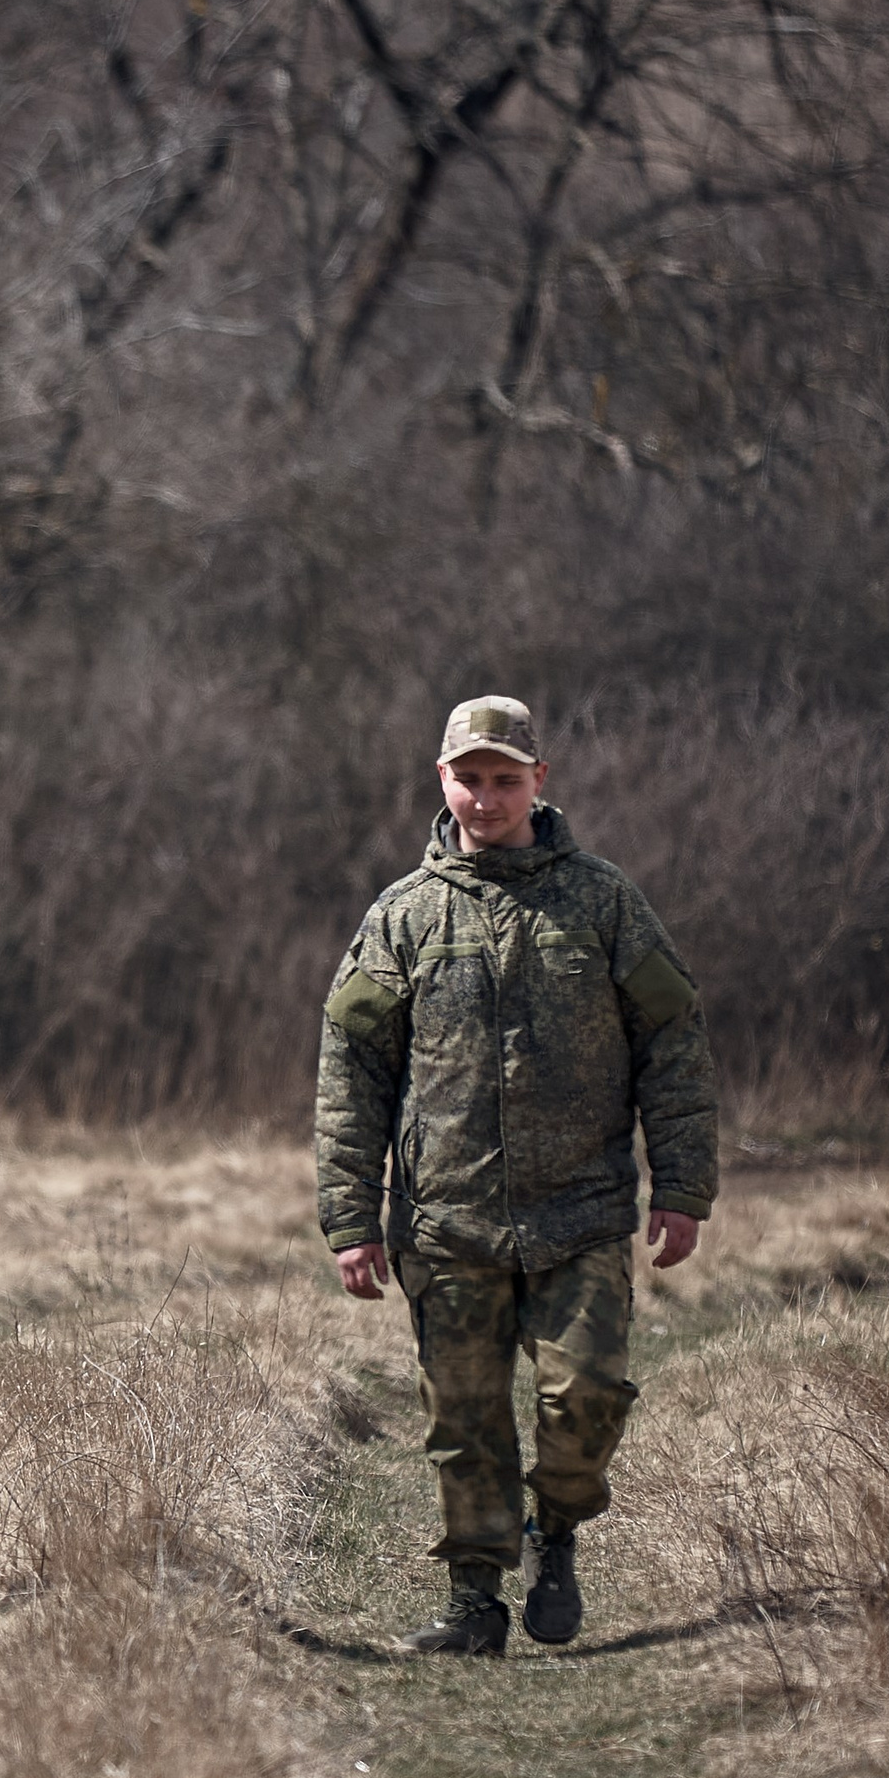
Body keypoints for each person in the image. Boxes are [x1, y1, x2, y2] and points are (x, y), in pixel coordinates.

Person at [315, 696, 717, 1656]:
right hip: (444, 1223)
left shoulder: (604, 902)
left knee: (585, 1401)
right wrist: (350, 1216)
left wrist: (683, 1184)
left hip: (579, 1211)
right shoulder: (403, 915)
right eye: (470, 779)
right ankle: (474, 1604)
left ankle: (558, 1530)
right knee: (465, 1421)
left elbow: (673, 1039)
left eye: (505, 779)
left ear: (541, 782)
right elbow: (352, 1066)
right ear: (442, 783)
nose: (486, 798)